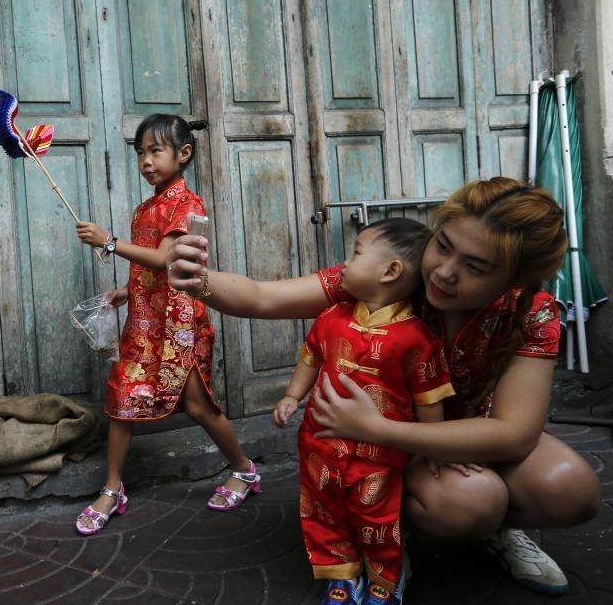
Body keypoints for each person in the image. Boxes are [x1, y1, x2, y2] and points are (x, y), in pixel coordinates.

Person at [167, 176, 602, 596]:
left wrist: (378, 428)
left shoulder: (531, 312)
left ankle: (499, 532)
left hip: (446, 434)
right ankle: (381, 538)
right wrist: (199, 279)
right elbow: (262, 297)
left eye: (474, 266)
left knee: (571, 490)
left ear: (513, 279)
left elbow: (515, 433)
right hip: (387, 450)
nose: (444, 273)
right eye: (443, 246)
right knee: (473, 500)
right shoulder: (396, 280)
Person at [73, 114, 259, 535]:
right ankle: (112, 489)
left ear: (183, 153)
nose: (146, 161)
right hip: (144, 323)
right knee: (121, 400)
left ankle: (244, 469)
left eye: (156, 151)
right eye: (141, 153)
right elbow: (149, 268)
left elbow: (165, 259)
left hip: (180, 325)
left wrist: (108, 242)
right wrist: (126, 291)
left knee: (197, 406)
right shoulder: (145, 209)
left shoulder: (187, 204)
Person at [273, 217, 454, 605]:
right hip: (320, 445)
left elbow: (429, 398)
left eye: (355, 254)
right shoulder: (331, 317)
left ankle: (383, 578)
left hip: (378, 456)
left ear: (390, 271)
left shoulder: (417, 338)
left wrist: (432, 451)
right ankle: (341, 574)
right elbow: (311, 357)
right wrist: (292, 395)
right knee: (323, 512)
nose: (344, 263)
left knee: (377, 519)